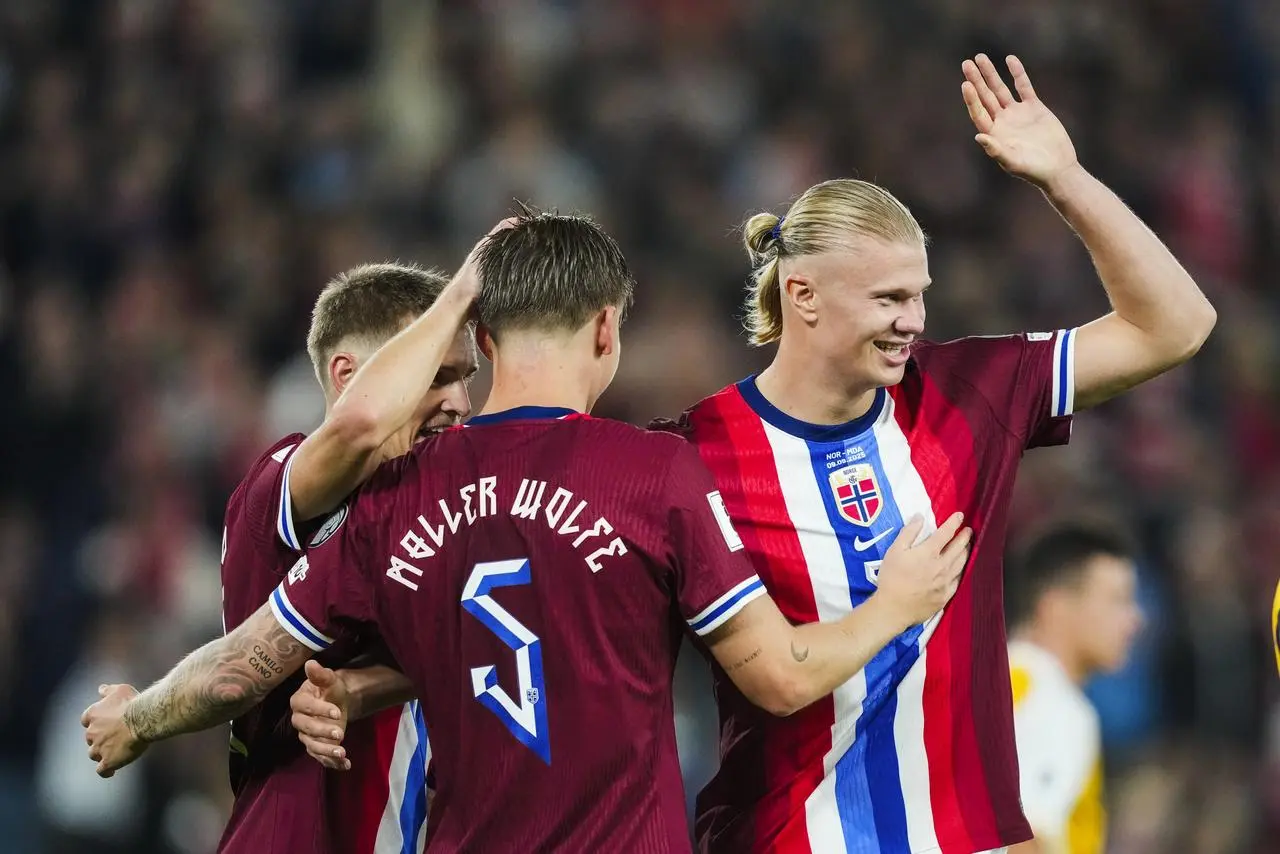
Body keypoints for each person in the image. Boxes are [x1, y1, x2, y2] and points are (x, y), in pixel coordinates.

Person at [83, 211, 973, 852]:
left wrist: (143, 719)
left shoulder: (395, 497)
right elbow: (780, 678)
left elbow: (241, 663)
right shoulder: (652, 474)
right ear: (606, 328)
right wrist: (896, 604)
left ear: (487, 338)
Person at [677, 54, 1215, 854]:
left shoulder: (969, 393)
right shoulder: (695, 454)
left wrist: (1066, 180)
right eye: (890, 298)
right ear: (803, 296)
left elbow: (1175, 325)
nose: (913, 320)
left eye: (920, 292)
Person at [100, 255, 483, 854]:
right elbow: (358, 426)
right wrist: (137, 721)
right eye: (436, 375)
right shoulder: (280, 490)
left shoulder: (434, 517)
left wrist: (360, 689)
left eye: (468, 378)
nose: (461, 403)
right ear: (347, 374)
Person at [1004, 523, 1143, 854]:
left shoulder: (999, 681)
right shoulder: (1054, 705)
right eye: (1117, 601)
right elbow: (1022, 841)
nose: (1135, 619)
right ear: (1055, 606)